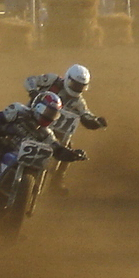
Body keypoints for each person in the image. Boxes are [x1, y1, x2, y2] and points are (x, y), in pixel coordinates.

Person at [25, 65, 107, 194]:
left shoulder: (78, 101)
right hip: (32, 119)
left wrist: (95, 122)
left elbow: (86, 114)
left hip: (54, 130)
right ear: (68, 79)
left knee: (67, 147)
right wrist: (33, 91)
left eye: (80, 86)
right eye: (74, 84)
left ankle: (56, 182)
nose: (76, 88)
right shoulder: (52, 80)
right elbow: (30, 80)